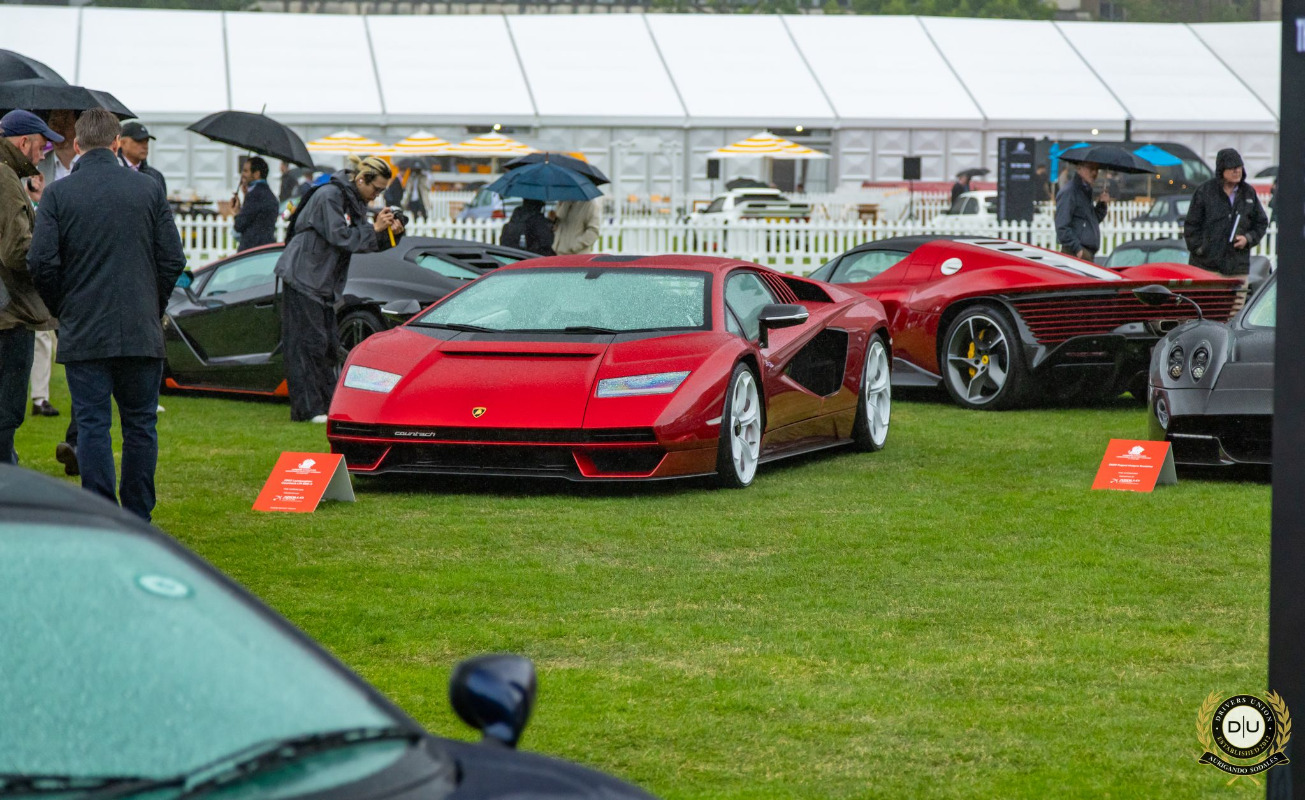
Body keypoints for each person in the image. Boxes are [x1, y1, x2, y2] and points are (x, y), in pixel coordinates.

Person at [27, 109, 186, 521]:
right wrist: (152, 304)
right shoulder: (148, 189)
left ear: (78, 145)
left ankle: (102, 515)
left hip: (85, 328)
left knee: (93, 425)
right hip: (139, 326)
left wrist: (64, 307)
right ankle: (137, 516)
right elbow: (173, 259)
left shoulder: (59, 194)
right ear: (116, 143)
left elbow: (41, 263)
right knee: (140, 426)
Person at [274, 155, 404, 423]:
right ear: (361, 179)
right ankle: (308, 410)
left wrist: (391, 233)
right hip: (303, 277)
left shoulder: (352, 200)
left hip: (321, 282)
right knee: (308, 345)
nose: (377, 196)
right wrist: (374, 229)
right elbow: (341, 237)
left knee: (328, 345)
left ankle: (325, 407)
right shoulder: (329, 195)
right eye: (376, 189)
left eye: (381, 192)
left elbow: (363, 241)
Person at [0, 110, 59, 463]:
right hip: (10, 315)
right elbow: (16, 251)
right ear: (24, 142)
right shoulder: (5, 177)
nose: (43, 154)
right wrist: (51, 253)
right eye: (43, 146)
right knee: (6, 414)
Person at [1183, 149, 1268, 277]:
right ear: (1221, 170)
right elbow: (1191, 225)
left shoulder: (1248, 193)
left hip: (1237, 269)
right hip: (1206, 267)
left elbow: (1261, 222)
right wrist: (1201, 249)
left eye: (1239, 167)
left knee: (1237, 292)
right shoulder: (1204, 192)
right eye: (1232, 168)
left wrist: (1247, 239)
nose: (1237, 171)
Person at [1054, 160, 1109, 260]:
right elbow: (1062, 226)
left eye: (1097, 169)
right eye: (1091, 168)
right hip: (1075, 253)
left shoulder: (1085, 191)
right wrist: (1078, 249)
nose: (1094, 173)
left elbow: (1090, 221)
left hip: (1084, 252)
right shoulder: (1070, 191)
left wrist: (1102, 205)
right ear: (1079, 168)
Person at [232, 156, 278, 252]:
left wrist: (237, 212)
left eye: (246, 171)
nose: (242, 174)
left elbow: (239, 225)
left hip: (251, 252)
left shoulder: (255, 195)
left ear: (257, 174)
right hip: (266, 249)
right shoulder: (269, 195)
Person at [117, 121, 167, 193]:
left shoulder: (156, 176)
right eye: (139, 141)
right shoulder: (113, 173)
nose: (145, 146)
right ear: (123, 143)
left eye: (146, 141)